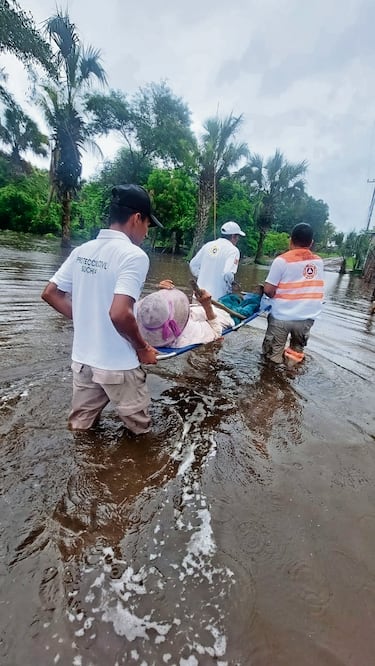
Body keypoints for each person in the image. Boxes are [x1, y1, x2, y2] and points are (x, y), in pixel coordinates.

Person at [41, 184, 163, 435]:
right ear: (136, 218)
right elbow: (119, 313)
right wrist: (142, 348)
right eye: (148, 226)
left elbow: (50, 293)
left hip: (83, 362)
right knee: (141, 434)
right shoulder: (133, 255)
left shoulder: (83, 250)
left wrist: (87, 318)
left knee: (81, 431)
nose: (146, 233)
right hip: (118, 364)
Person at [262, 222, 324, 364]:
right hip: (306, 319)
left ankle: (268, 383)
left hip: (282, 317)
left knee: (272, 358)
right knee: (295, 355)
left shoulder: (281, 261)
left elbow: (268, 290)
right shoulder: (319, 262)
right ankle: (289, 378)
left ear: (291, 240)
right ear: (311, 243)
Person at [136, 280, 234, 349]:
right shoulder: (186, 338)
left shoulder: (148, 321)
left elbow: (159, 307)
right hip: (223, 316)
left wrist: (164, 292)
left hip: (199, 310)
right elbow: (216, 333)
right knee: (244, 304)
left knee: (229, 300)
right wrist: (207, 306)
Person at [189, 221, 245, 300]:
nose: (238, 239)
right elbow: (228, 273)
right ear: (233, 236)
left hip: (198, 296)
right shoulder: (233, 250)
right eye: (237, 236)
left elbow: (193, 265)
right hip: (217, 299)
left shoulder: (208, 245)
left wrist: (203, 276)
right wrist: (230, 288)